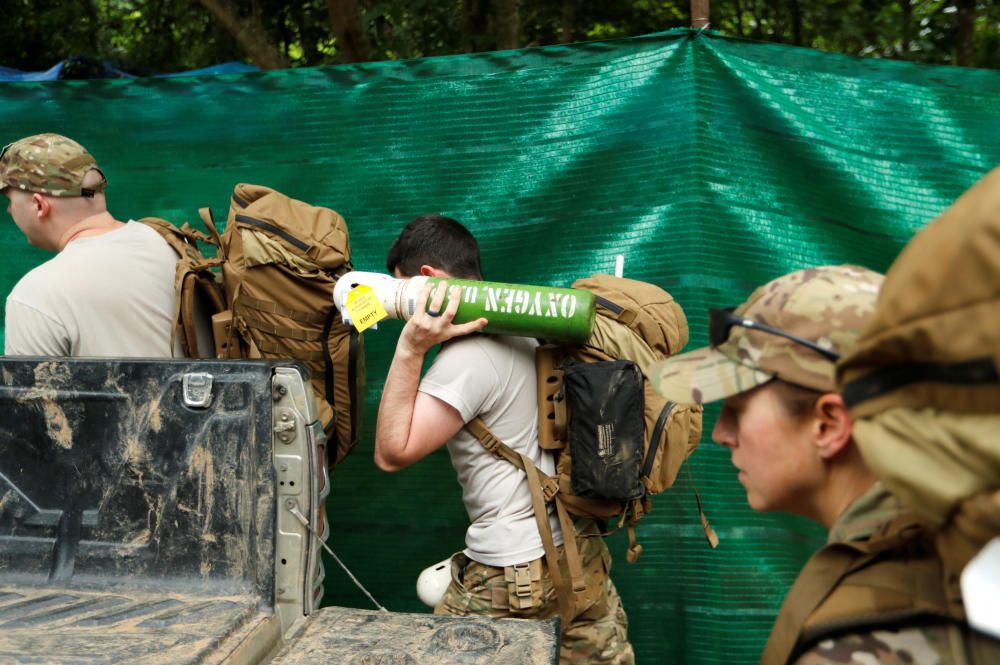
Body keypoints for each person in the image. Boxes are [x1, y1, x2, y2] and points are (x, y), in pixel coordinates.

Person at [652, 264, 976, 665]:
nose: (721, 434)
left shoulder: (867, 639)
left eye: (737, 409)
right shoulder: (940, 545)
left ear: (829, 425)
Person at [374, 214, 634, 665]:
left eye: (402, 294)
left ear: (428, 280)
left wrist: (411, 347)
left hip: (512, 575)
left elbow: (392, 452)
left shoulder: (468, 358)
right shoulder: (531, 332)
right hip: (580, 554)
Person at [1, 133, 179, 357]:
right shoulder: (170, 243)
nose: (9, 210)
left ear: (39, 205)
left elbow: (32, 382)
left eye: (10, 201)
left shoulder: (35, 296)